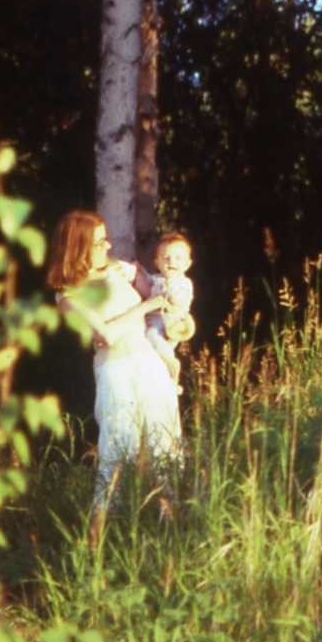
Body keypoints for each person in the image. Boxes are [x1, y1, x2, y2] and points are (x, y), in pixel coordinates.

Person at [46, 210, 183, 515]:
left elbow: (159, 299)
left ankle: (172, 529)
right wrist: (145, 306)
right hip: (117, 372)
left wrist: (157, 291)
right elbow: (104, 334)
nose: (107, 247)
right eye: (99, 242)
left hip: (150, 365)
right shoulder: (69, 295)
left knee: (165, 449)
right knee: (117, 453)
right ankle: (97, 538)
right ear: (79, 247)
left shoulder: (116, 272)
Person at [140, 231, 196, 389]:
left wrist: (170, 285)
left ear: (187, 264)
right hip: (156, 319)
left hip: (171, 322)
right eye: (166, 258)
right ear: (157, 262)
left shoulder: (183, 283)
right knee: (156, 349)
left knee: (152, 336)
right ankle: (171, 381)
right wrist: (140, 270)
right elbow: (147, 280)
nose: (172, 262)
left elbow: (178, 301)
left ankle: (173, 366)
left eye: (178, 258)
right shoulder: (158, 279)